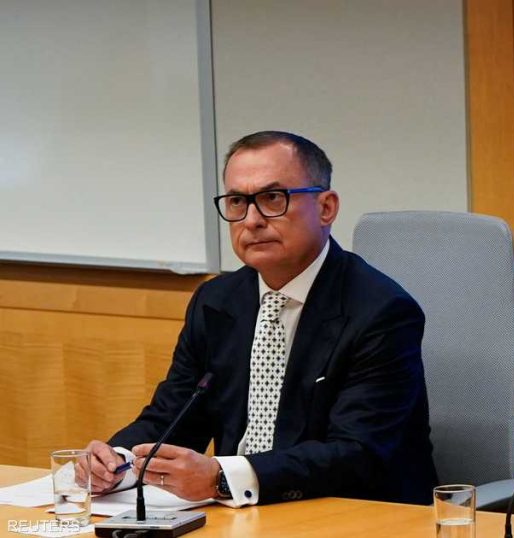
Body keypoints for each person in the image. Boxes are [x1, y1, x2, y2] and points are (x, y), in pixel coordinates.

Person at [79, 131, 437, 506]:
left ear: (326, 208)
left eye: (272, 198)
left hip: (354, 512)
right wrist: (116, 461)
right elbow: (174, 417)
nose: (251, 220)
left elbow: (356, 453)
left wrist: (222, 478)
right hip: (241, 514)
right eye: (237, 201)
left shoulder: (381, 311)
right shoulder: (216, 301)